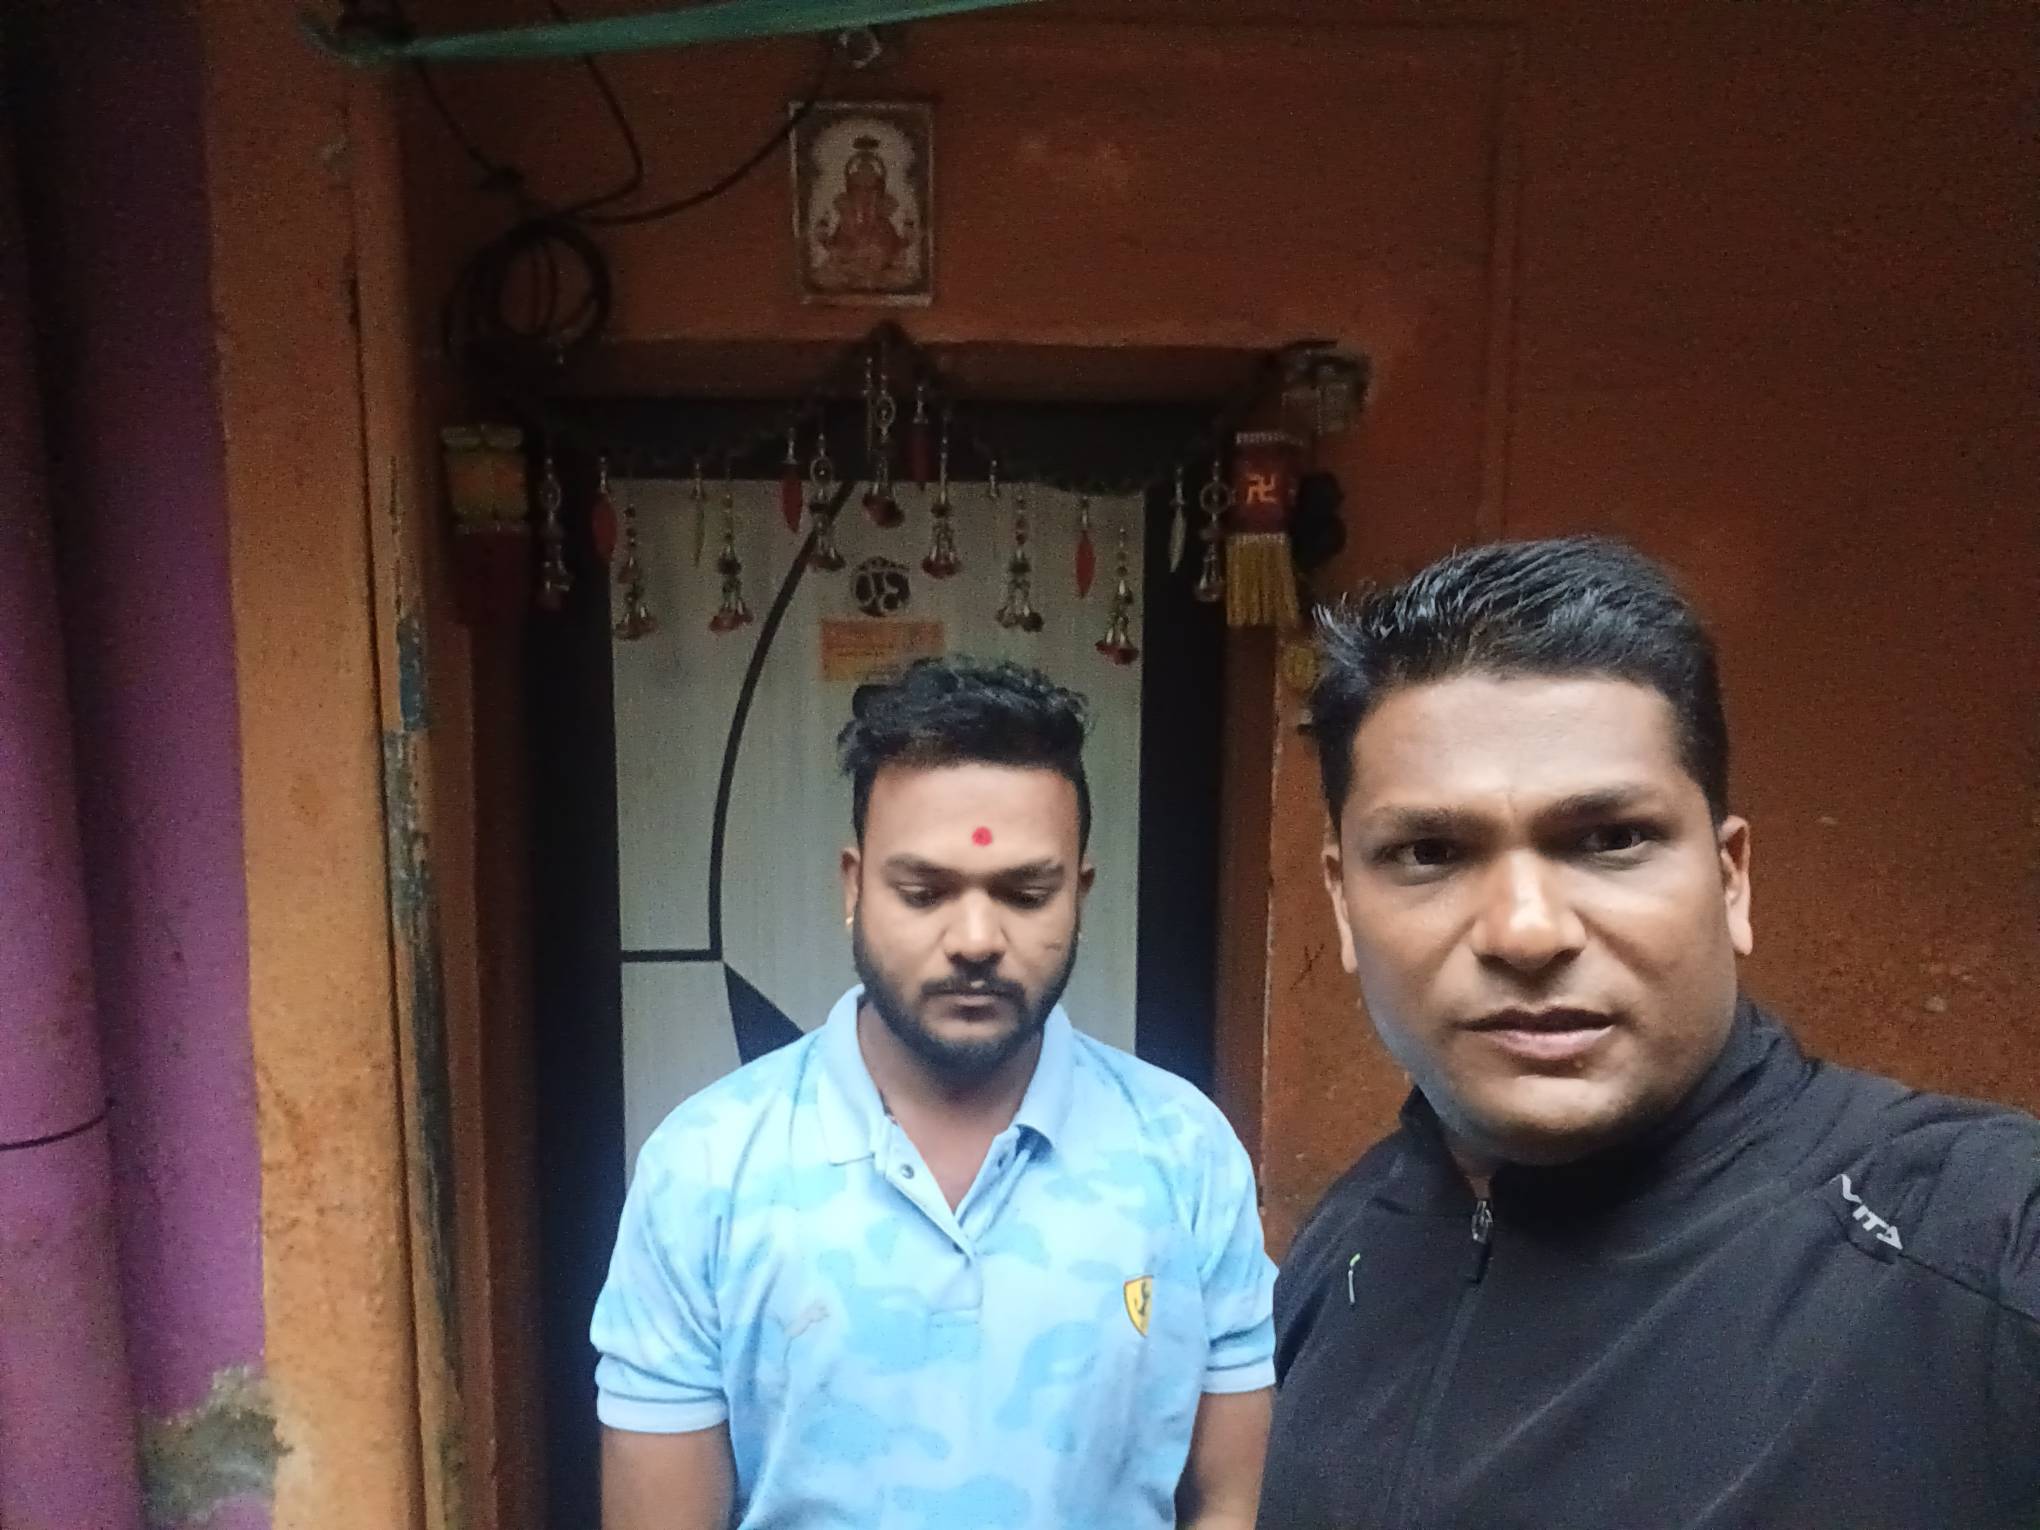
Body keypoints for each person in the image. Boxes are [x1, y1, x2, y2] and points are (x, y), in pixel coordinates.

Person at [1258, 537, 2040, 1530]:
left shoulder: (1971, 1245)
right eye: (1430, 852)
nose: (1526, 932)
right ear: (1342, 900)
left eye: (1611, 839)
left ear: (1731, 877)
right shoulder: (1351, 1239)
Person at [595, 657, 1275, 1530]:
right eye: (924, 893)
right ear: (854, 887)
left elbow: (1232, 1503)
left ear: (1080, 895)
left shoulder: (1184, 1152)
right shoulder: (707, 1169)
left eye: (1026, 893)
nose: (976, 939)